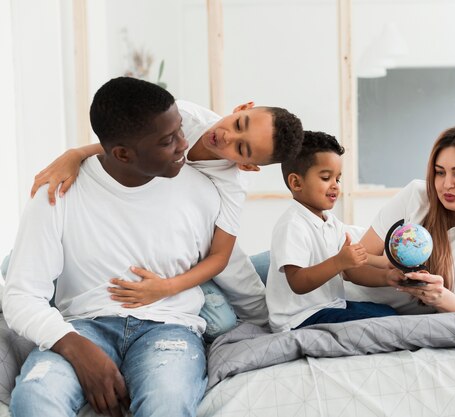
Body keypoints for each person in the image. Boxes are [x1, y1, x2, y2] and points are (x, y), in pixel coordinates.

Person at [3, 77, 222, 416]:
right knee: (35, 398)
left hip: (170, 330)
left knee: (167, 402)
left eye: (180, 130)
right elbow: (21, 295)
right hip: (82, 326)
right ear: (122, 153)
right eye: (168, 140)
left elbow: (229, 266)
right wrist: (75, 347)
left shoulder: (203, 191)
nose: (184, 145)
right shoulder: (59, 193)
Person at [29, 93, 304, 334]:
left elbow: (221, 256)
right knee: (21, 265)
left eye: (241, 149)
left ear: (247, 166)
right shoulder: (182, 115)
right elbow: (128, 144)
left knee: (231, 314)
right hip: (165, 234)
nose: (226, 137)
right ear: (242, 107)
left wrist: (168, 287)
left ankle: (292, 273)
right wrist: (76, 154)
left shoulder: (231, 186)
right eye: (238, 124)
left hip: (202, 252)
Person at [348, 125, 455, 312]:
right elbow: (351, 269)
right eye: (439, 172)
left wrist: (441, 298)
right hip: (352, 304)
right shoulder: (416, 196)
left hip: (399, 324)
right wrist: (386, 277)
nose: (446, 184)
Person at [266, 131, 397, 332]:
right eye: (326, 177)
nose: (335, 186)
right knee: (379, 327)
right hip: (300, 318)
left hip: (331, 307)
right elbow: (298, 282)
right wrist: (339, 262)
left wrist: (386, 279)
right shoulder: (292, 224)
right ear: (296, 183)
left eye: (338, 178)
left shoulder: (331, 222)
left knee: (389, 314)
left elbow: (351, 272)